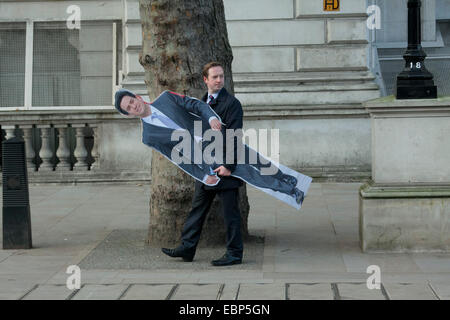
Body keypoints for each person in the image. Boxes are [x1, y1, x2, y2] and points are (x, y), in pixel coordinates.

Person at [114, 62, 310, 266]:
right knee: (241, 182)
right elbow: (176, 157)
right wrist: (202, 175)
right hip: (207, 162)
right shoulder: (148, 136)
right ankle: (193, 247)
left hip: (219, 139)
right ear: (128, 114)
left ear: (137, 97)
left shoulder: (166, 98)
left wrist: (210, 118)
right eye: (128, 108)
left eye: (131, 101)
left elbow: (195, 104)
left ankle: (289, 182)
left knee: (260, 162)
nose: (133, 106)